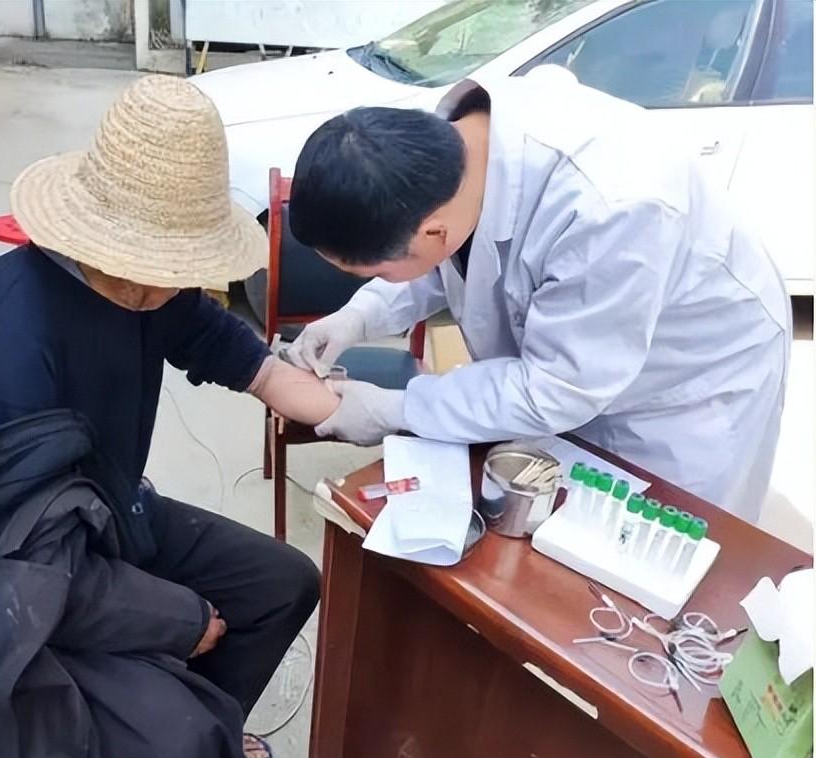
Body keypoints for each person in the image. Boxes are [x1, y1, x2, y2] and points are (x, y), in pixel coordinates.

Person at [0, 75, 340, 758]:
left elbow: (231, 350)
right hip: (4, 566)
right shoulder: (9, 349)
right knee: (176, 741)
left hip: (103, 510)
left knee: (285, 583)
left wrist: (348, 407)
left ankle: (204, 723)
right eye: (154, 267)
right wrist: (179, 619)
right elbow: (19, 571)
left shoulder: (148, 286)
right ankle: (182, 742)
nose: (164, 286)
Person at [285, 72, 791, 523]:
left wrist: (395, 409)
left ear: (434, 232)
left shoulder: (610, 211)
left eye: (376, 273)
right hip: (589, 351)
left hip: (689, 377)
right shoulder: (450, 158)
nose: (378, 280)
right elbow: (453, 256)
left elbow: (555, 388)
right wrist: (360, 314)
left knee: (648, 540)